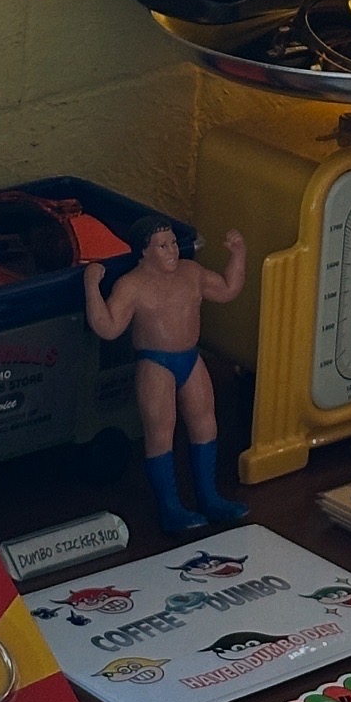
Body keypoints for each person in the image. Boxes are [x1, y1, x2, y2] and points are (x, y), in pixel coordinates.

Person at [84, 216, 247, 532]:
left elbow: (227, 289)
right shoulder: (132, 285)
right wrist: (91, 287)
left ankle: (209, 498)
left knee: (206, 424)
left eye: (172, 243)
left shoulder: (191, 272)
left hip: (191, 359)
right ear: (144, 251)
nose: (172, 250)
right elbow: (108, 328)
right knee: (160, 434)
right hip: (156, 364)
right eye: (162, 246)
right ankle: (170, 508)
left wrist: (238, 255)